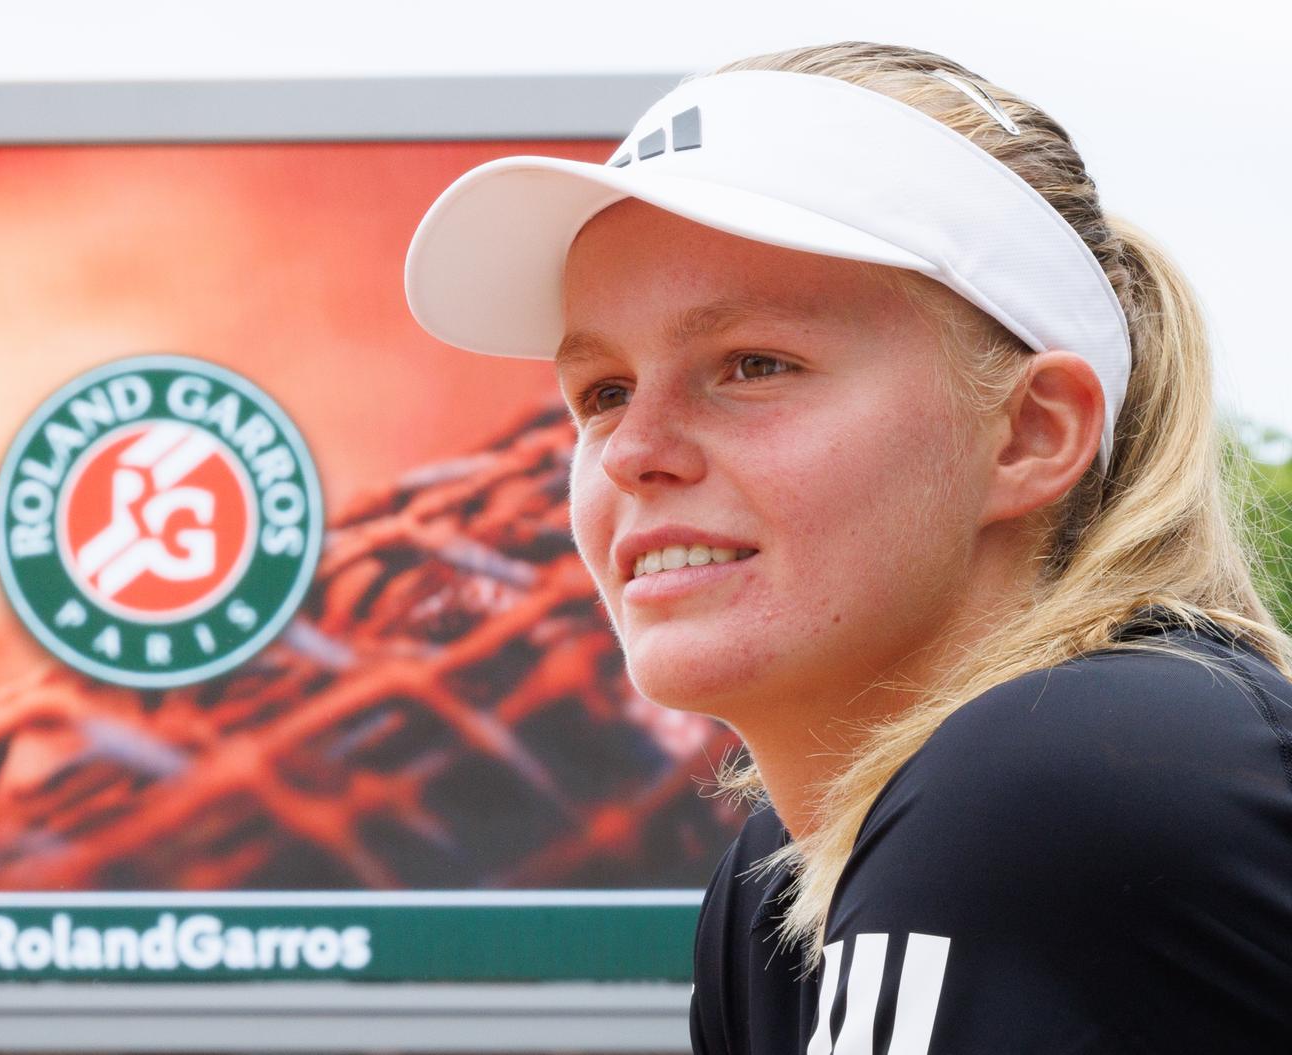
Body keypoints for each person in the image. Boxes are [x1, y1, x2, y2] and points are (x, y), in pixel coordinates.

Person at [403, 41, 1292, 1053]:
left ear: (1033, 432)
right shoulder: (770, 889)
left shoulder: (1054, 771)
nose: (633, 452)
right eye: (602, 392)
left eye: (753, 363)